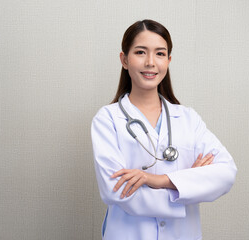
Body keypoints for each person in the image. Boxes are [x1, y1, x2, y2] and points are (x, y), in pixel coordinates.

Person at [91, 19, 237, 240]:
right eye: (140, 52)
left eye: (160, 54)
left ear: (168, 60)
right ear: (124, 59)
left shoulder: (188, 118)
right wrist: (187, 185)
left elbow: (226, 173)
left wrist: (156, 180)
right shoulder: (108, 119)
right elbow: (117, 190)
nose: (151, 62)